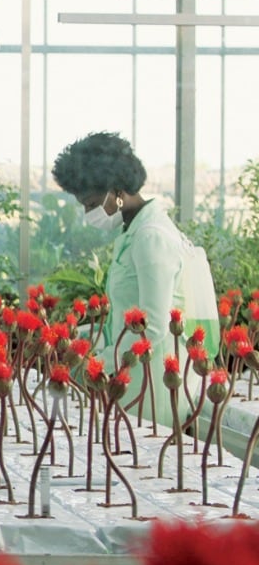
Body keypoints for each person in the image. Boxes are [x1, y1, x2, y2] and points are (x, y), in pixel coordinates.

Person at [51, 131, 218, 425]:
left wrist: (96, 363)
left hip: (151, 388)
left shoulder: (151, 237)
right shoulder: (134, 232)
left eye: (91, 204)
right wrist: (82, 337)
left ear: (116, 191)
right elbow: (125, 314)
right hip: (131, 379)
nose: (88, 214)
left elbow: (151, 325)